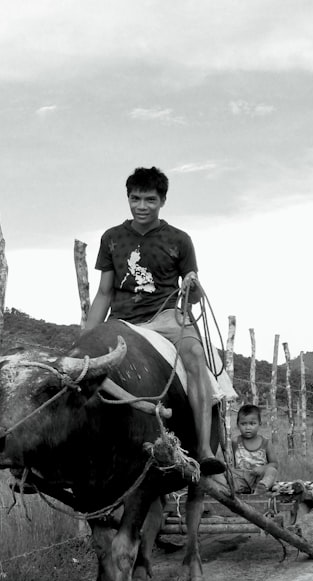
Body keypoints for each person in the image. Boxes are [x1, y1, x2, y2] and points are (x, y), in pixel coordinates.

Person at [86, 166, 225, 475]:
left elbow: (194, 296)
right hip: (123, 322)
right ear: (128, 199)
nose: (142, 206)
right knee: (83, 372)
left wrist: (192, 286)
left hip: (167, 316)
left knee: (195, 354)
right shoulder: (111, 238)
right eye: (135, 199)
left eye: (150, 199)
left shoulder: (180, 240)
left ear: (162, 200)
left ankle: (203, 448)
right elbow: (104, 293)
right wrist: (85, 336)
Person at [230, 404, 278, 494]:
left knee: (272, 471)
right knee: (228, 475)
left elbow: (274, 464)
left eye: (252, 424)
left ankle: (262, 487)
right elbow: (231, 464)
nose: (248, 427)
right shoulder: (235, 442)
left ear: (259, 424)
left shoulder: (266, 443)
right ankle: (236, 489)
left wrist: (263, 468)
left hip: (259, 478)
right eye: (243, 424)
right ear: (238, 425)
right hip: (241, 479)